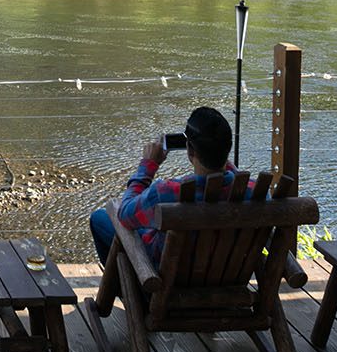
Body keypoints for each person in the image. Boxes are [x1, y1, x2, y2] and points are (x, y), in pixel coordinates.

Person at [88, 106, 237, 267]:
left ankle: (124, 280)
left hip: (167, 276)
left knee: (99, 218)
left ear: (190, 150)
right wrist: (219, 156)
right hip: (225, 273)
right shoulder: (251, 191)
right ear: (228, 148)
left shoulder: (166, 192)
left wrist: (148, 165)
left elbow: (125, 215)